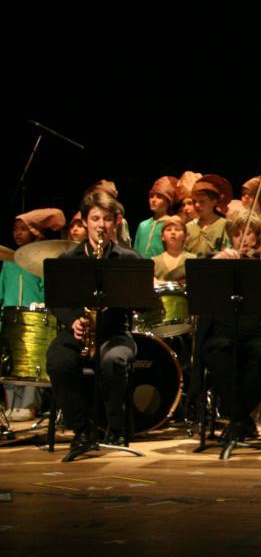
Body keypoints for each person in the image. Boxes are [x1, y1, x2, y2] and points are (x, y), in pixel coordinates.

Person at [46, 191, 141, 454]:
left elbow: (143, 302)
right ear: (85, 221)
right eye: (96, 218)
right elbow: (56, 301)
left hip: (115, 332)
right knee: (58, 362)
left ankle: (115, 429)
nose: (101, 225)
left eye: (107, 219)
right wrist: (72, 321)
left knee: (114, 361)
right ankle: (82, 430)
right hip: (79, 331)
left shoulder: (127, 259)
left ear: (116, 222)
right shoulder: (69, 260)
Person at [195, 211, 261, 443]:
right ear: (230, 238)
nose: (244, 239)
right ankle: (243, 420)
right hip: (223, 334)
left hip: (260, 335)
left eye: (249, 234)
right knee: (217, 357)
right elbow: (196, 280)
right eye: (237, 235)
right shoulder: (217, 260)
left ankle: (237, 421)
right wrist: (216, 263)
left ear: (258, 237)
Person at [1, 208, 65, 421]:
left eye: (23, 229)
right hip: (12, 316)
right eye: (15, 229)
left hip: (33, 317)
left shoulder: (39, 261)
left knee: (31, 359)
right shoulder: (9, 262)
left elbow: (47, 289)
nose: (17, 233)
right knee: (12, 360)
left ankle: (29, 404)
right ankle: (12, 404)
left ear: (36, 233)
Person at [184, 174, 233, 256]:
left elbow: (227, 253)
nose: (196, 205)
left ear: (214, 202)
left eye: (202, 201)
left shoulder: (224, 225)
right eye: (194, 201)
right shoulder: (188, 227)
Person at [134, 176, 178, 259]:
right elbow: (135, 251)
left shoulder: (172, 224)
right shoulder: (143, 225)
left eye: (159, 197)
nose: (153, 200)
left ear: (168, 201)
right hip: (140, 266)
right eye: (151, 196)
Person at [152, 215, 195, 282]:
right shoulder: (154, 261)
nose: (173, 232)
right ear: (162, 236)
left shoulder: (193, 259)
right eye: (168, 230)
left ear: (185, 236)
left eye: (177, 230)